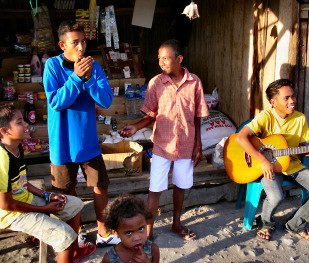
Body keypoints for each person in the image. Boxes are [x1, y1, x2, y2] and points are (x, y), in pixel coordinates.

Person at [119, 39, 209, 241]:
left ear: (179, 59)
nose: (161, 62)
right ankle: (149, 230)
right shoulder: (156, 83)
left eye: (166, 58)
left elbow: (197, 116)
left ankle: (176, 223)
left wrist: (198, 144)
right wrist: (136, 126)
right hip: (162, 145)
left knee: (180, 185)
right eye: (159, 58)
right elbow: (151, 114)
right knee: (155, 188)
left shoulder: (195, 82)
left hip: (186, 144)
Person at [43, 20, 119, 247]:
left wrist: (88, 80)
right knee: (67, 191)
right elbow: (55, 102)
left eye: (83, 42)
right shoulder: (52, 67)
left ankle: (104, 232)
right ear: (62, 45)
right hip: (63, 143)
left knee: (100, 185)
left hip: (87, 142)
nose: (81, 47)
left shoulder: (93, 67)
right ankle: (74, 237)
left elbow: (105, 100)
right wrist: (76, 78)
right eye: (74, 42)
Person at [235, 79, 309, 242]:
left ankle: (295, 225)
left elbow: (304, 149)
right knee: (276, 197)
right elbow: (240, 138)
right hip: (269, 166)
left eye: (293, 96)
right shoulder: (265, 117)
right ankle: (266, 223)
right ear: (273, 102)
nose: (292, 101)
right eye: (287, 98)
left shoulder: (300, 119)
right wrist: (263, 160)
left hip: (293, 165)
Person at [0, 104, 96, 262]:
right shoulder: (2, 158)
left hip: (24, 200)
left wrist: (48, 195)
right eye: (19, 122)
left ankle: (74, 252)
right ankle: (67, 249)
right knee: (65, 235)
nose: (26, 124)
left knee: (74, 204)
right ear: (4, 131)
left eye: (24, 120)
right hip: (11, 215)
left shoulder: (17, 148)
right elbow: (5, 204)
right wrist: (43, 208)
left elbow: (22, 183)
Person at [102, 194, 160, 263]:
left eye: (141, 229)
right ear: (115, 233)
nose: (137, 238)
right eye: (129, 233)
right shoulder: (109, 258)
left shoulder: (153, 250)